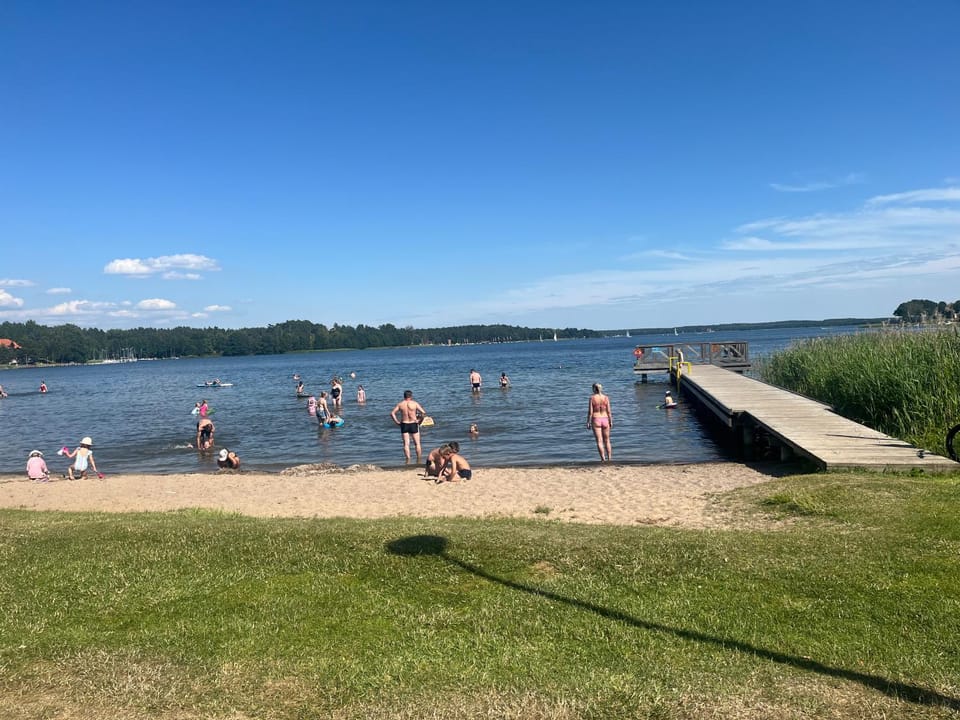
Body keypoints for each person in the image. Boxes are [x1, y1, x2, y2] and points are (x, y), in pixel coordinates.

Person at [391, 390, 427, 462]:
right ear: (411, 396)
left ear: (404, 396)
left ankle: (408, 460)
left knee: (406, 444)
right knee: (417, 443)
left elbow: (392, 413)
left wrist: (397, 422)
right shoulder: (414, 403)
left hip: (404, 424)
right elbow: (423, 413)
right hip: (413, 423)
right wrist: (419, 421)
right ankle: (419, 459)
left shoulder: (400, 404)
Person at [587, 382, 613, 462]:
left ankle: (603, 459)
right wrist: (611, 421)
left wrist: (588, 422)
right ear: (601, 389)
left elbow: (590, 412)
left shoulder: (592, 398)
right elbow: (609, 411)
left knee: (599, 441)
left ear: (594, 389)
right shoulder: (606, 397)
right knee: (607, 440)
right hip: (605, 419)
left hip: (596, 419)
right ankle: (609, 458)